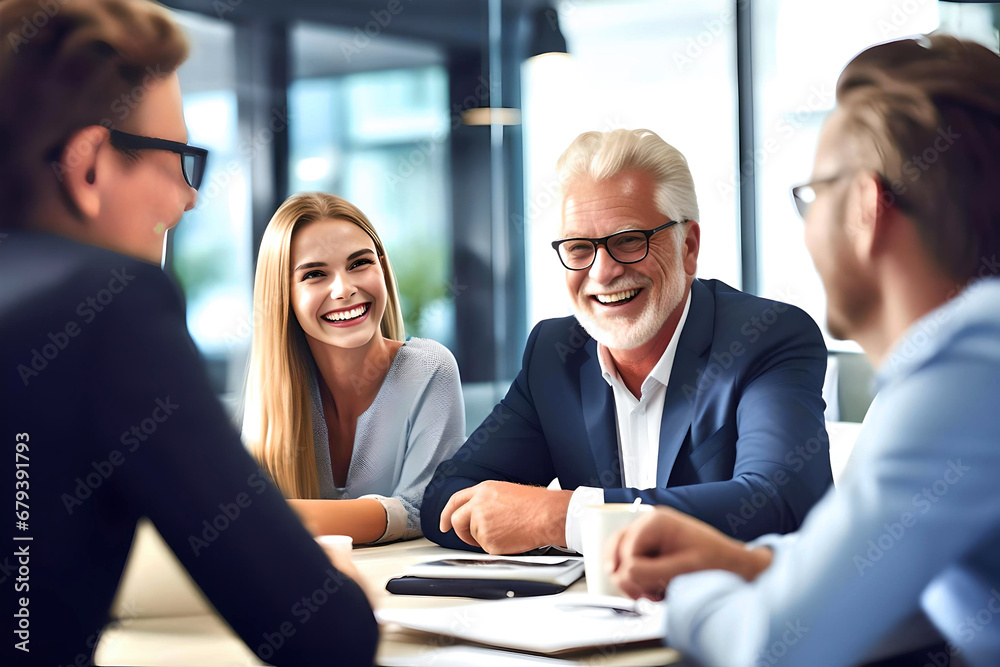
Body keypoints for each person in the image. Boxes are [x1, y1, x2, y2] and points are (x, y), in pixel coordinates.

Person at [0, 0, 377, 664]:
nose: (190, 197)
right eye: (180, 157)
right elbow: (323, 632)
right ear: (89, 166)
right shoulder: (109, 307)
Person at [610, 35, 1000, 667]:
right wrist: (748, 563)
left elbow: (772, 648)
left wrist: (683, 590)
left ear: (866, 209)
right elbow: (886, 567)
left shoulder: (969, 363)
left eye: (813, 195)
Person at [422, 128, 834, 555]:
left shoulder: (766, 336)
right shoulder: (554, 352)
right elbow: (445, 499)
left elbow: (778, 504)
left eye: (628, 241)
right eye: (580, 248)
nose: (602, 273)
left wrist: (562, 519)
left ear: (688, 246)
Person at [241, 192, 466, 544]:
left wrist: (269, 514)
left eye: (359, 263)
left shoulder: (429, 369)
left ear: (381, 266)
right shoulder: (273, 395)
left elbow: (426, 511)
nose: (344, 290)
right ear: (282, 295)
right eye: (314, 274)